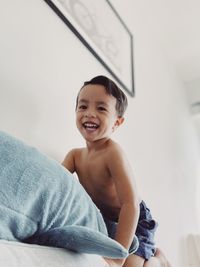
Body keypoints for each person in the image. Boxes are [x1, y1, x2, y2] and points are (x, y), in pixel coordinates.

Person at [62, 75, 170, 267]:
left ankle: (158, 259)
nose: (89, 114)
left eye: (101, 108)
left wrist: (118, 255)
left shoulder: (113, 152)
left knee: (132, 266)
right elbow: (57, 183)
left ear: (117, 122)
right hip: (108, 220)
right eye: (83, 106)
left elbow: (131, 204)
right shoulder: (74, 156)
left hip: (135, 220)